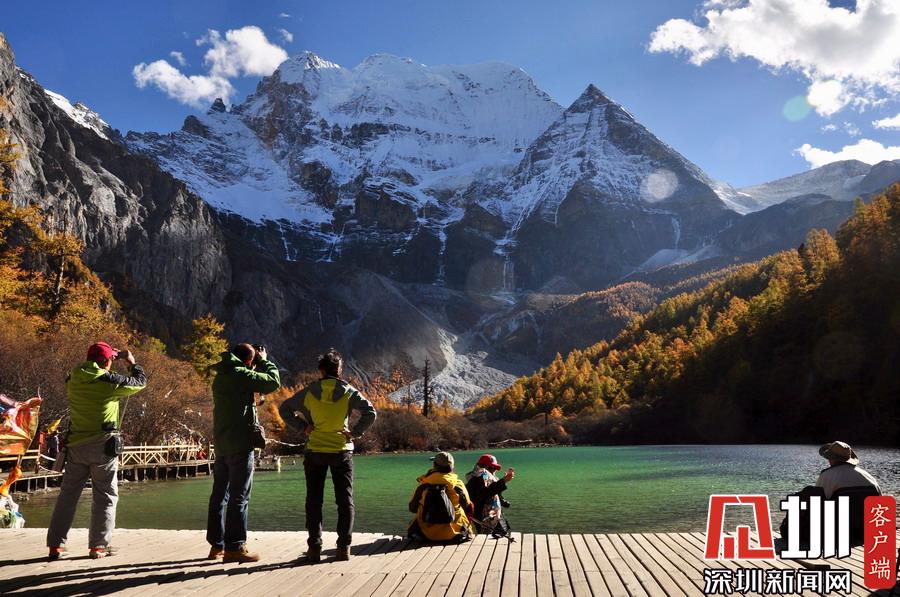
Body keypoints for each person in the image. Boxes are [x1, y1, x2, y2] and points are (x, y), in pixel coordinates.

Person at [46, 342, 147, 560]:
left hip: (76, 445)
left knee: (67, 496)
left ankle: (55, 545)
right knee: (105, 496)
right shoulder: (107, 381)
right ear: (107, 361)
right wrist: (131, 363)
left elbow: (93, 371)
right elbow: (140, 382)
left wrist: (109, 359)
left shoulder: (73, 379)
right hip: (103, 445)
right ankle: (98, 546)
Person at [279, 349, 376, 563]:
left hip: (315, 451)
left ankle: (314, 548)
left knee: (314, 500)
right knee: (345, 500)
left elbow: (284, 409)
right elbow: (371, 412)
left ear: (321, 370)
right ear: (339, 370)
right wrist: (355, 432)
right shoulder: (349, 391)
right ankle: (343, 548)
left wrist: (303, 427)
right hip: (341, 450)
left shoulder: (309, 392)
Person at [206, 343, 281, 563]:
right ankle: (235, 547)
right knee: (239, 495)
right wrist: (264, 360)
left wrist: (252, 366)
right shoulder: (241, 374)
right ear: (248, 360)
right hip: (240, 443)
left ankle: (217, 546)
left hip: (222, 443)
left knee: (219, 496)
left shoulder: (222, 374)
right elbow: (273, 381)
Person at [408, 452, 475, 543]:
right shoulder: (458, 484)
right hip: (455, 534)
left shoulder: (424, 483)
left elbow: (412, 508)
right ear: (452, 467)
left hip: (425, 535)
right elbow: (467, 506)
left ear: (435, 465)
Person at [465, 454, 515, 538]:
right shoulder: (480, 477)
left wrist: (503, 501)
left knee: (498, 535)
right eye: (493, 467)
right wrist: (503, 481)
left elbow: (491, 492)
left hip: (490, 516)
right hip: (486, 517)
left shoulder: (478, 476)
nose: (495, 470)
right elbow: (485, 493)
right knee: (490, 539)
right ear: (485, 467)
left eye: (495, 468)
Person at [816, 440, 881, 498]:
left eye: (829, 458)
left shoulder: (826, 475)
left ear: (831, 459)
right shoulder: (869, 477)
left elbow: (817, 500)